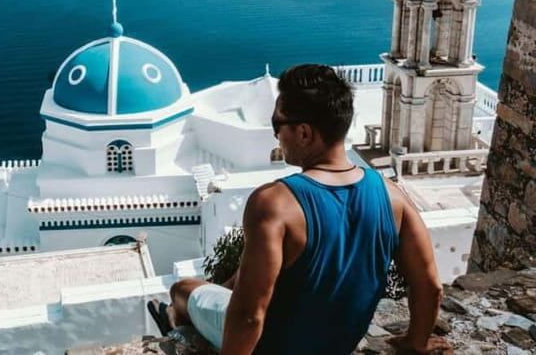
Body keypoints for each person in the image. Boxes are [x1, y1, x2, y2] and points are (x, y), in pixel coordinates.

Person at [149, 64, 449, 354]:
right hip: (339, 344)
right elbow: (430, 285)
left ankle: (175, 321)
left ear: (304, 133)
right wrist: (417, 342)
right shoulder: (391, 194)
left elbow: (250, 316)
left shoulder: (274, 203)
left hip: (270, 346)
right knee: (232, 285)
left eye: (277, 124)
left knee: (183, 290)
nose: (276, 135)